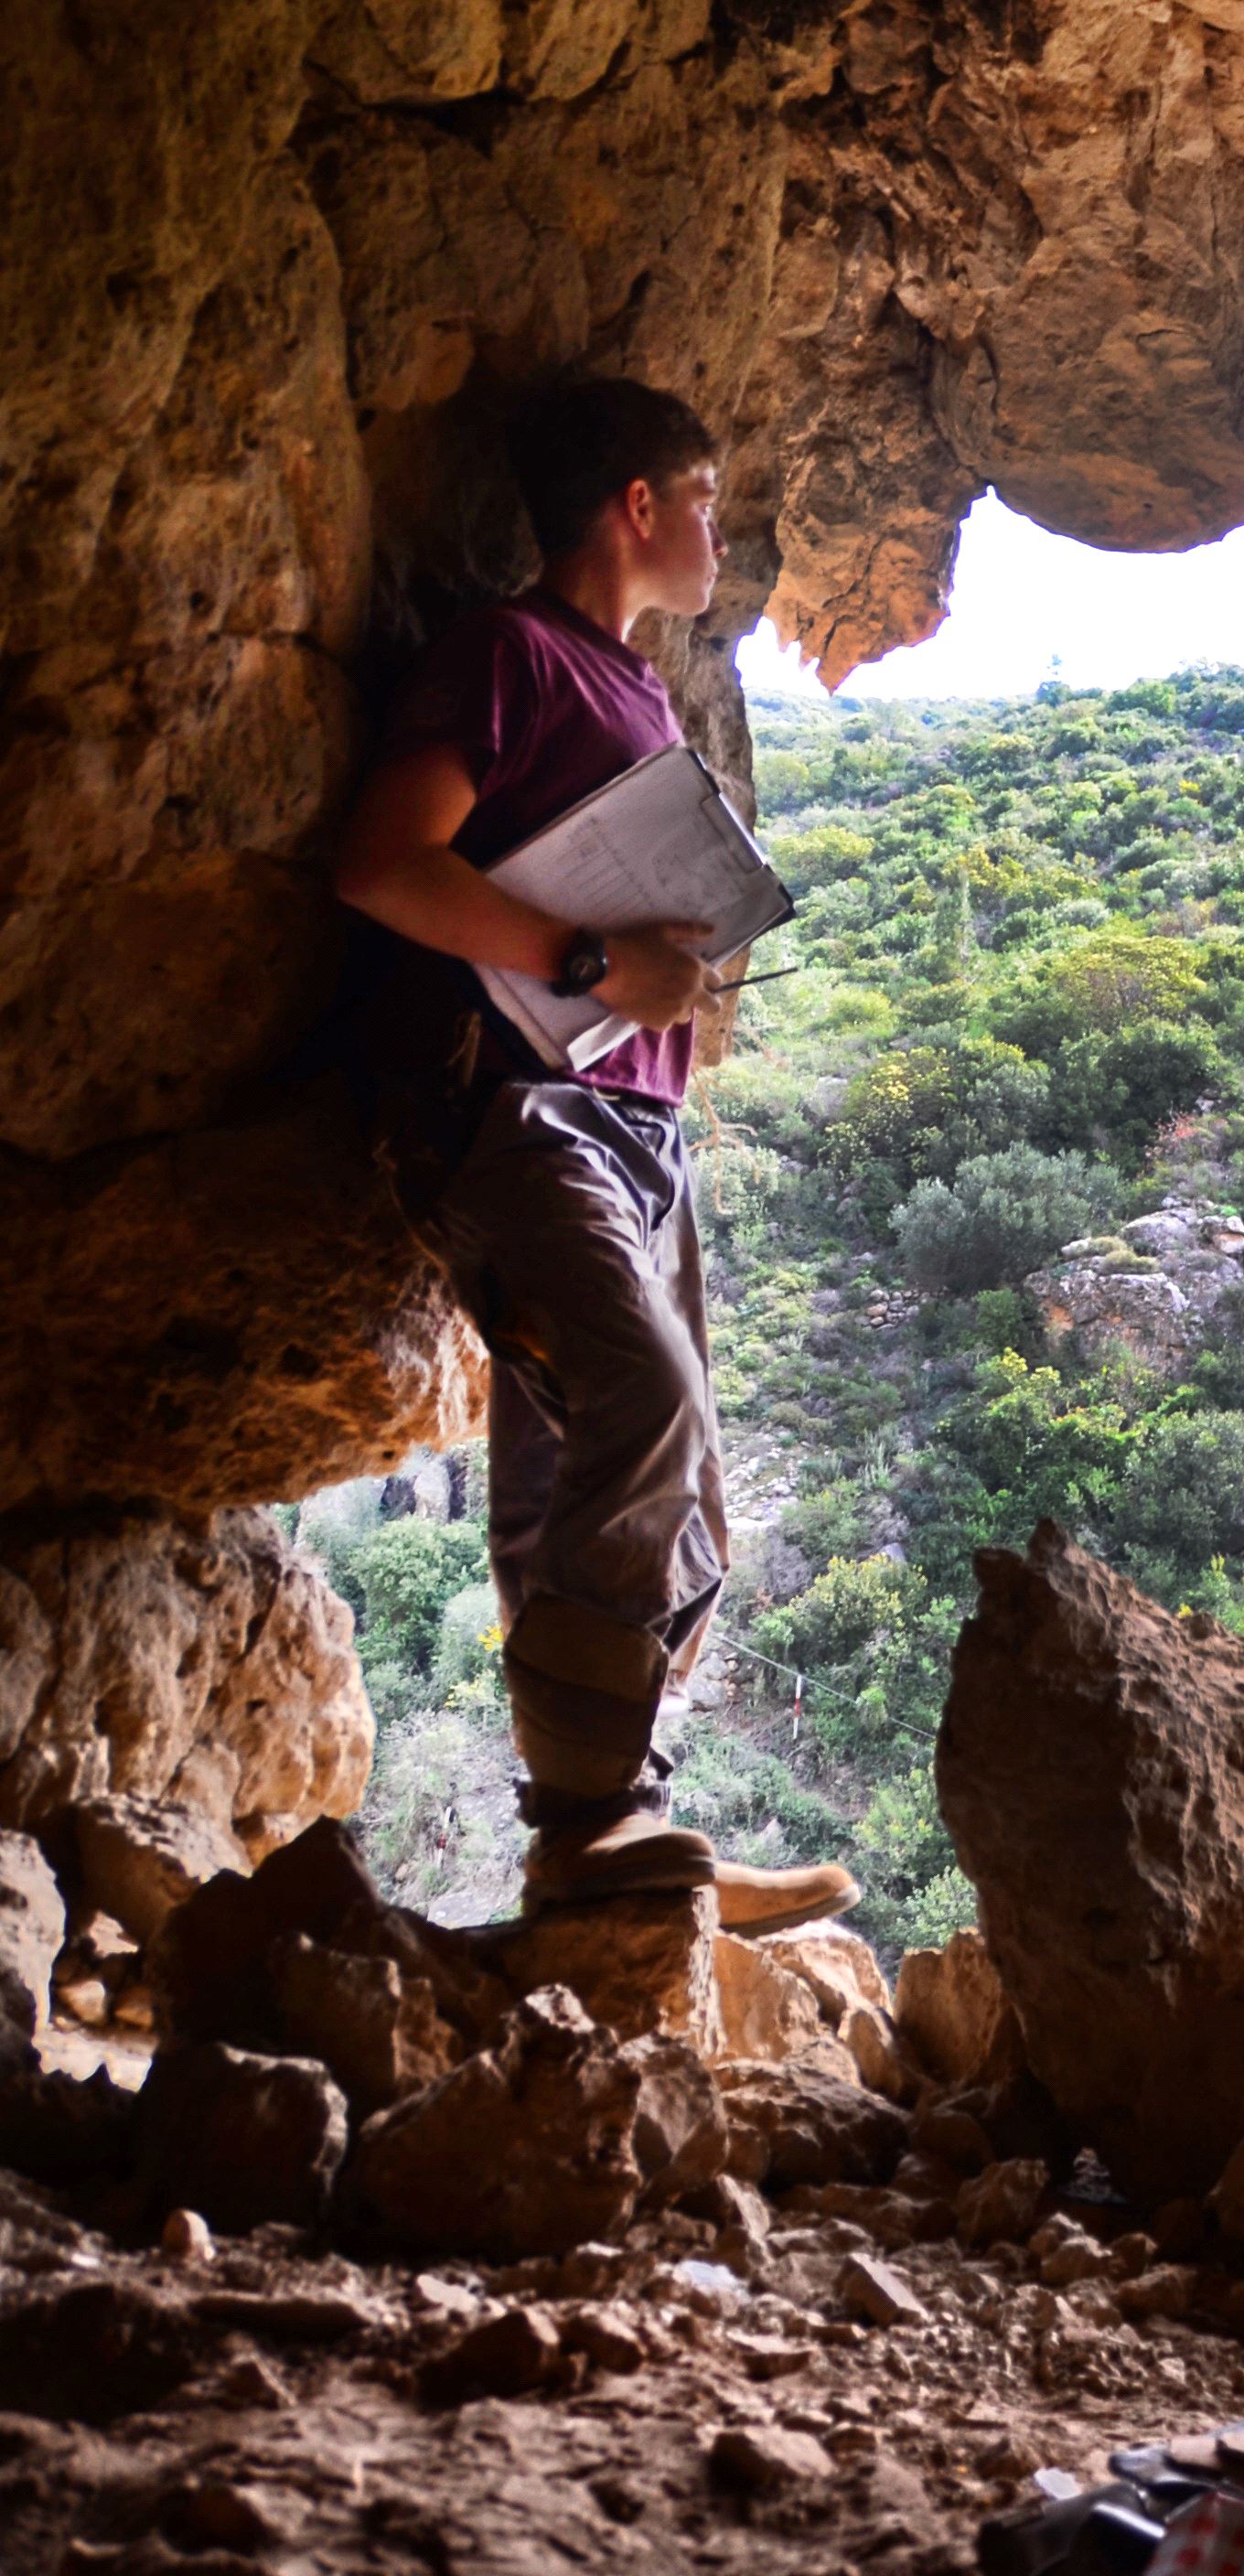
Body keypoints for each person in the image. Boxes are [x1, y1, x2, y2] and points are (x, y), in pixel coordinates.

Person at [333, 378, 856, 1936]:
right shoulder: (511, 656)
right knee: (647, 1407)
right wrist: (591, 962)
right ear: (636, 505)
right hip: (522, 1103)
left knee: (627, 1480)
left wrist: (663, 982)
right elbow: (381, 861)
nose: (719, 527)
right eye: (703, 493)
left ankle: (618, 1828)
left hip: (634, 1123)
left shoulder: (637, 692)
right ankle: (590, 1821)